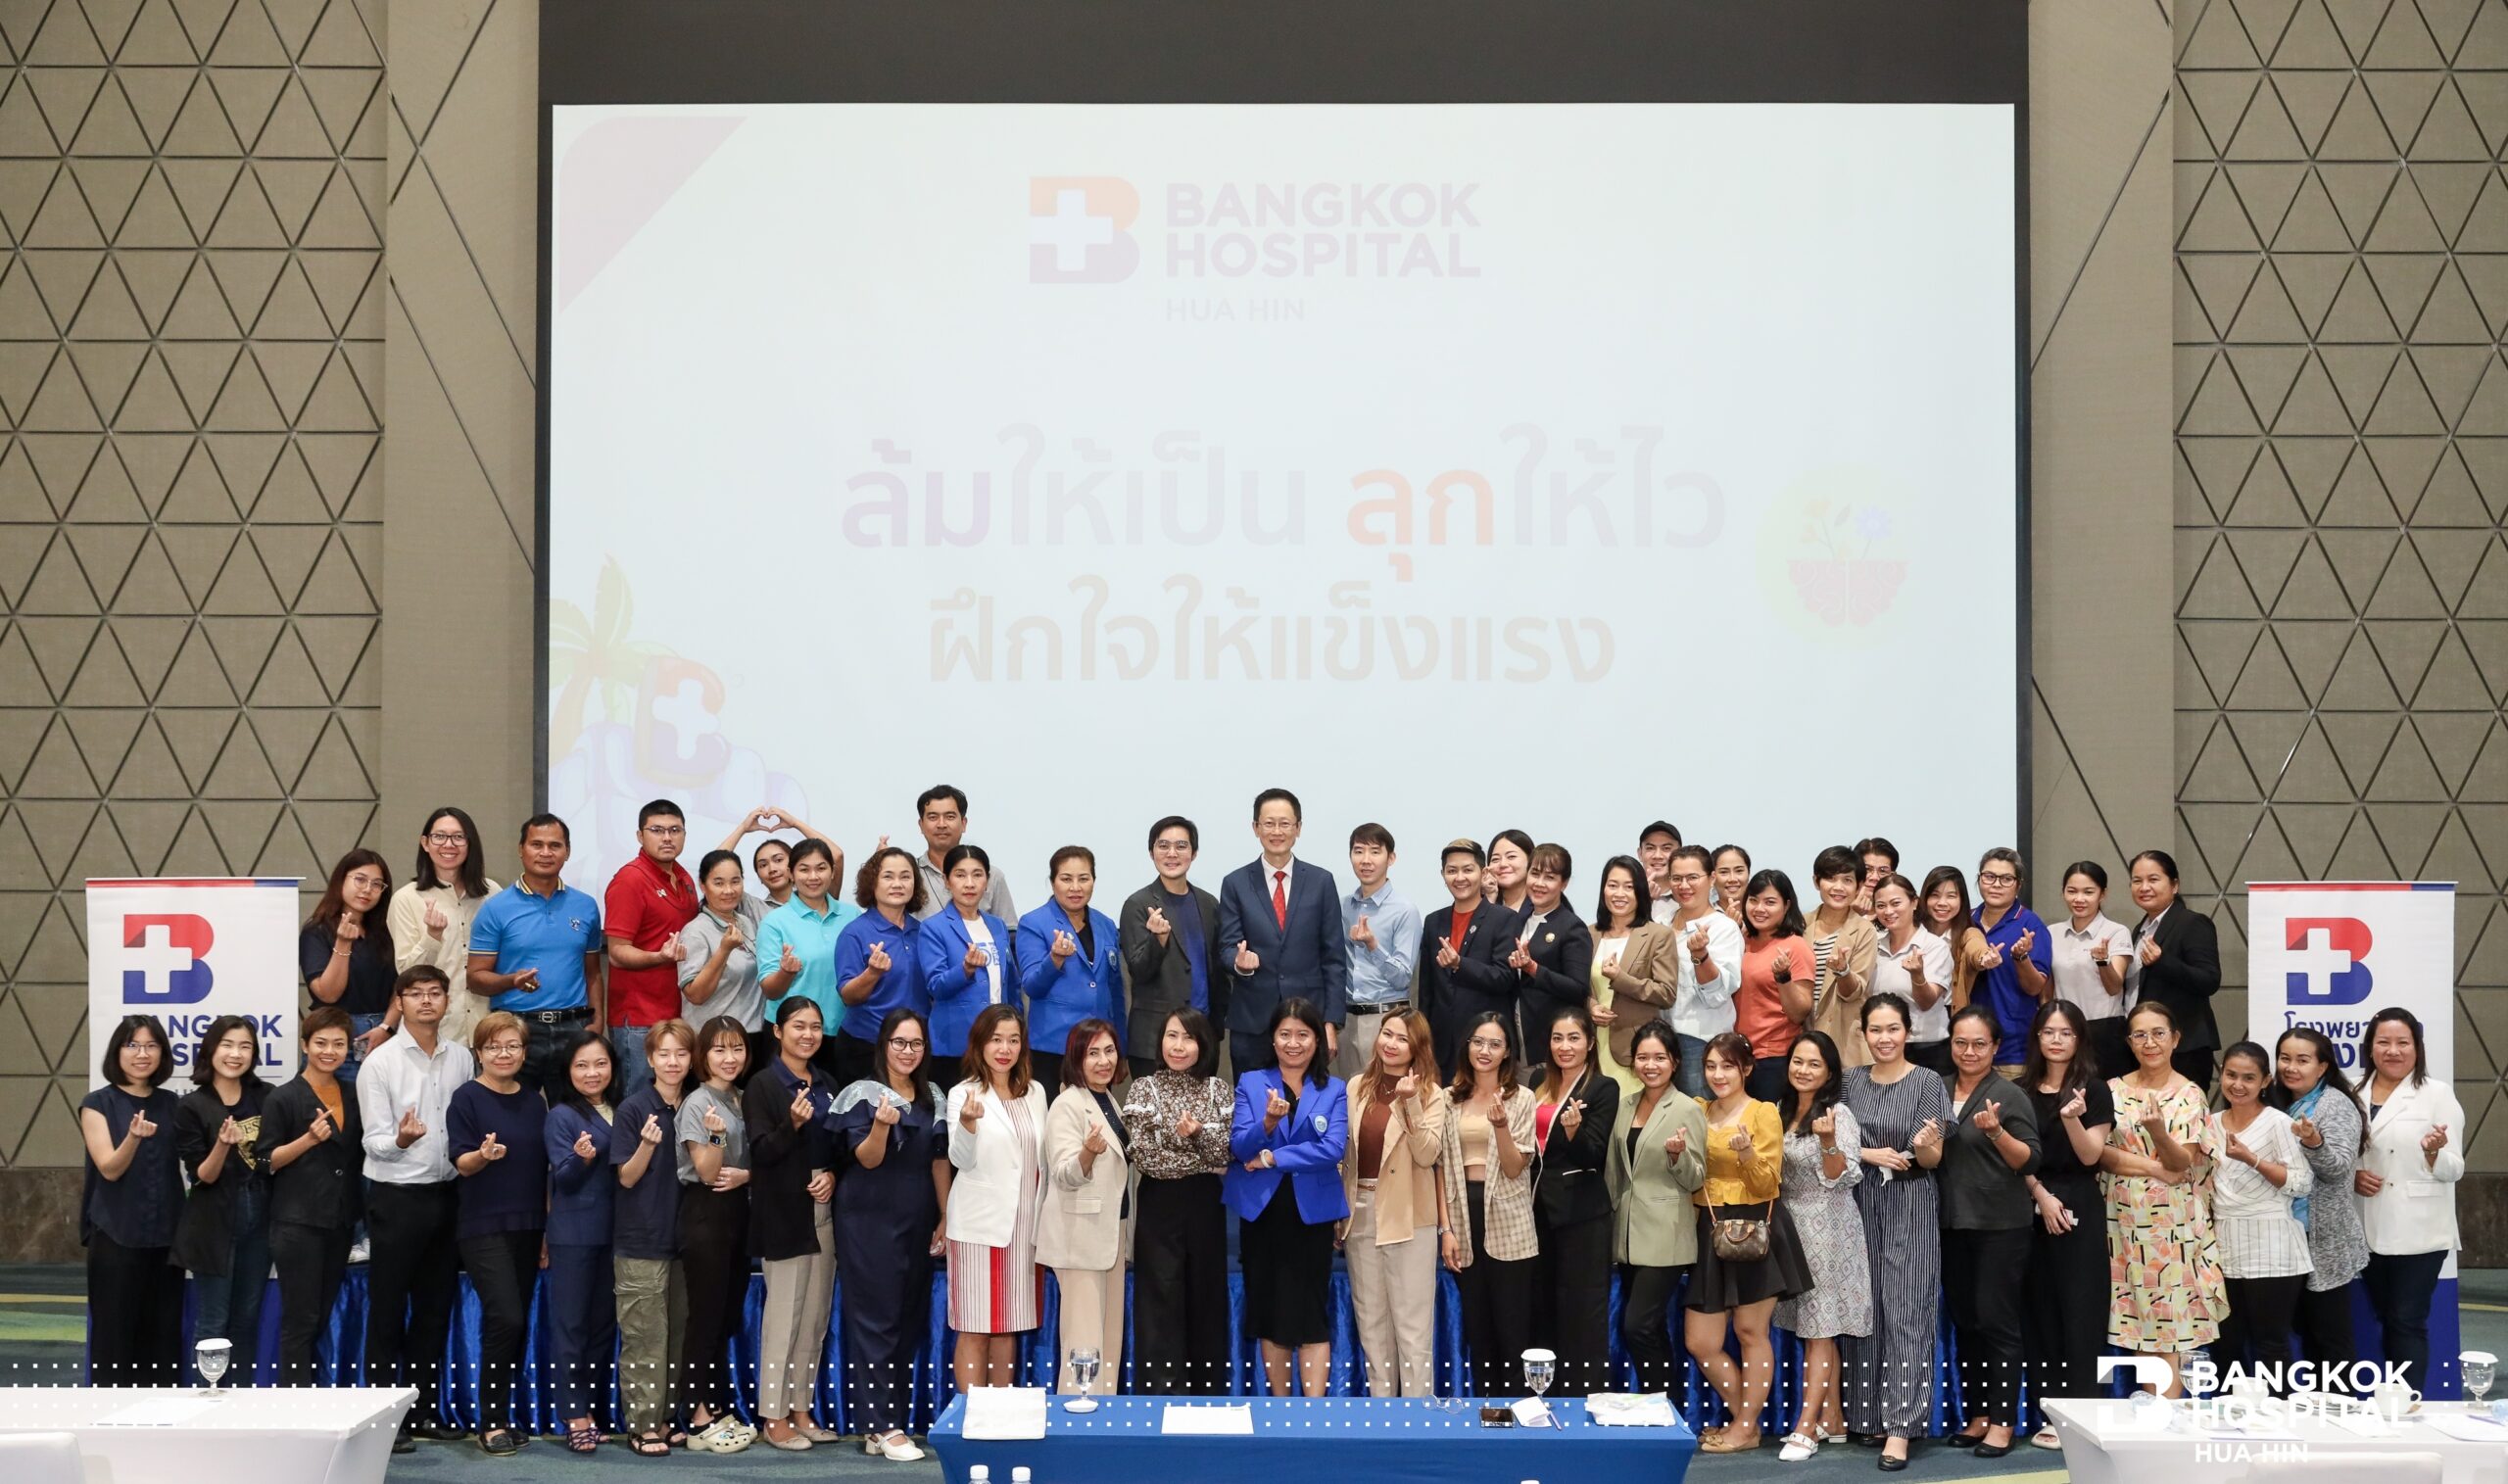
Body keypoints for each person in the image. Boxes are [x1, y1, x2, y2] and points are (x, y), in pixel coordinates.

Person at [358, 966, 473, 1450]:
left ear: (447, 1000)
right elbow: (373, 1140)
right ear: (399, 1002)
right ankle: (386, 1421)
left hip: (447, 1196)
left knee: (433, 1310)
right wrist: (402, 1140)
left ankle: (423, 1413)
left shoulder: (462, 1058)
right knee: (388, 1311)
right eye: (415, 993)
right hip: (396, 1197)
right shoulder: (379, 1063)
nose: (426, 1001)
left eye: (435, 993)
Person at [835, 1008, 951, 1462]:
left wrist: (945, 1216)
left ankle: (884, 1423)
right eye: (900, 1042)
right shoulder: (861, 1093)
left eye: (916, 1043)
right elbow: (866, 1159)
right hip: (868, 1221)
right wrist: (881, 1126)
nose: (908, 1051)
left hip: (916, 1218)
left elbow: (939, 1160)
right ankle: (882, 1425)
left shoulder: (932, 1095)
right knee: (876, 1321)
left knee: (906, 1320)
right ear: (884, 1045)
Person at [1684, 1031, 1809, 1456]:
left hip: (1754, 1226)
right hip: (1708, 1226)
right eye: (1711, 1066)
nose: (1718, 1075)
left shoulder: (1762, 1113)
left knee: (1750, 1331)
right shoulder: (1697, 1109)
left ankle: (1743, 1428)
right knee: (1700, 1341)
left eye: (1728, 1066)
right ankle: (1746, 1423)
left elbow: (1768, 1184)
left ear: (1747, 1069)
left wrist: (1746, 1155)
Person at [1840, 992, 1950, 1470]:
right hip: (1858, 1201)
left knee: (1908, 1309)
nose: (1884, 1038)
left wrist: (1923, 1145)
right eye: (1875, 1030)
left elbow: (1934, 1157)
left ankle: (1901, 1426)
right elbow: (1833, 1141)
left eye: (1893, 1029)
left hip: (1911, 1199)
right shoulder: (1849, 1082)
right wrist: (1867, 1153)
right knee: (1865, 1310)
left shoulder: (1927, 1081)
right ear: (1863, 1033)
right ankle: (1868, 1415)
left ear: (1908, 1031)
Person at [1226, 997, 1350, 1397]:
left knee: (1311, 1314)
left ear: (1317, 1040)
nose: (1293, 1043)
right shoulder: (1251, 1082)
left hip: (1312, 1215)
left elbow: (1332, 1149)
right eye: (1285, 1034)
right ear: (1272, 1039)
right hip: (1263, 1214)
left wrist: (1272, 1157)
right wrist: (1266, 1123)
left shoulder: (1334, 1089)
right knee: (1271, 1314)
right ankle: (1281, 1409)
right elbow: (1239, 1147)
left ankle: (1313, 1412)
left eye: (1302, 1035)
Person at [2100, 1000, 2225, 1398]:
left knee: (2169, 1326)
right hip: (2122, 1223)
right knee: (2139, 1320)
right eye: (2140, 1035)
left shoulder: (2189, 1094)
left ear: (2175, 1039)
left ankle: (2165, 1417)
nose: (2149, 1043)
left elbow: (2181, 1162)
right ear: (2129, 1042)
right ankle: (2152, 1414)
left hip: (2172, 1228)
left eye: (2158, 1034)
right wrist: (2153, 1167)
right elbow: (2100, 1154)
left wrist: (2157, 1132)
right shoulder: (2112, 1090)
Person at [1937, 1005, 2041, 1459]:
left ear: (1996, 1047)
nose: (1969, 1051)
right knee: (1967, 1323)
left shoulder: (2009, 1095)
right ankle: (1978, 1416)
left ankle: (2003, 1421)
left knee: (1997, 1323)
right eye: (1961, 1042)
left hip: (2001, 1226)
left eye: (1979, 1043)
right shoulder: (1936, 1088)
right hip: (1950, 1224)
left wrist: (1997, 1133)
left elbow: (2030, 1159)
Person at [446, 1011, 549, 1456]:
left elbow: (543, 1171)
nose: (503, 1054)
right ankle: (489, 1421)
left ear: (524, 1052)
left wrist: (545, 1230)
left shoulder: (535, 1101)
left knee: (517, 1320)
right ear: (479, 1053)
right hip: (482, 1225)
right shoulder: (466, 1098)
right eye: (493, 1046)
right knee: (505, 1316)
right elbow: (461, 1163)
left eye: (512, 1046)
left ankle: (502, 1415)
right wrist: (482, 1156)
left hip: (529, 1224)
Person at [1121, 1008, 1236, 1395]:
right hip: (1159, 1203)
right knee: (1160, 1298)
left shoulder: (1218, 1089)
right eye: (1172, 1035)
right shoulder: (1144, 1088)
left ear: (1204, 1044)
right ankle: (1161, 1396)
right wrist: (1198, 1148)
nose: (1179, 1046)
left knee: (1206, 1297)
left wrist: (1195, 1138)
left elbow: (1226, 1154)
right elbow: (1146, 1158)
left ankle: (1208, 1396)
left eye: (1188, 1037)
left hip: (1206, 1205)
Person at [2017, 999, 2115, 1449]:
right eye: (2048, 1032)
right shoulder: (2019, 1090)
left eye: (2066, 1033)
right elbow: (2014, 1158)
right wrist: (2039, 1194)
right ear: (2037, 1037)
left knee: (2082, 1312)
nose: (2056, 1041)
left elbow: (2091, 1155)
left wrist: (2072, 1119)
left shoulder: (2094, 1089)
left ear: (2079, 1039)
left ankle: (2083, 1415)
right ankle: (2052, 1413)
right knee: (2040, 1314)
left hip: (2080, 1202)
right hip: (2030, 1203)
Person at [744, 997, 839, 1451]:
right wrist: (792, 1124)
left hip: (823, 1213)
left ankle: (801, 1409)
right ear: (778, 1031)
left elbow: (837, 1146)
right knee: (784, 1320)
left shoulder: (827, 1083)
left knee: (814, 1320)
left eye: (816, 1026)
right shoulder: (763, 1084)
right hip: (783, 1214)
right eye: (799, 1026)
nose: (808, 1034)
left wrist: (833, 1175)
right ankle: (774, 1415)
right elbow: (761, 1152)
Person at [1771, 1031, 1871, 1461]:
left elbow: (1840, 1176)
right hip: (1790, 1228)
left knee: (1820, 1327)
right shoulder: (1780, 1109)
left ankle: (1806, 1428)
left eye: (1814, 1064)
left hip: (1828, 1227)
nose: (1803, 1070)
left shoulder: (1839, 1113)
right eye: (1798, 1061)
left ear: (1830, 1072)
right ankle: (1834, 1419)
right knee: (1814, 1326)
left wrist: (1828, 1141)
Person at [2355, 1006, 2464, 1396]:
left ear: (2417, 1048)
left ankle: (2408, 1401)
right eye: (2383, 1042)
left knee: (2406, 1319)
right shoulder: (2352, 1092)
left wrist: (2433, 1152)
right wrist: (2353, 1176)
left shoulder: (2437, 1094)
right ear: (2370, 1048)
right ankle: (2393, 1396)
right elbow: (2341, 1155)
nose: (2393, 1051)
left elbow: (2455, 1168)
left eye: (2403, 1042)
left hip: (2420, 1231)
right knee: (2387, 1316)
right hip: (2368, 1226)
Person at [1339, 1008, 1447, 1396]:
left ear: (1417, 1047)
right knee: (1372, 1328)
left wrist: (1410, 1102)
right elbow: (1346, 1157)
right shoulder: (1356, 1086)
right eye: (1387, 1034)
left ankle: (1417, 1418)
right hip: (1360, 1212)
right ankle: (1383, 1414)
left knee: (1413, 1331)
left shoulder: (1432, 1094)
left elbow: (1428, 1154)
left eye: (1402, 1038)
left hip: (1409, 1217)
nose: (1391, 1044)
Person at [945, 1004, 1050, 1392]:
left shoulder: (1035, 1092)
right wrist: (967, 1124)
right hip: (979, 1228)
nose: (1005, 1049)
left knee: (1008, 1326)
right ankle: (971, 1414)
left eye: (1013, 1040)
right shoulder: (963, 1093)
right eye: (996, 1040)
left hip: (1024, 1231)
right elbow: (960, 1159)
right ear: (980, 1044)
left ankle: (1001, 1413)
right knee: (975, 1327)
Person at [466, 814, 607, 1097]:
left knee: (574, 1117)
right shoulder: (496, 908)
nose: (546, 853)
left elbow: (592, 972)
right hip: (515, 1032)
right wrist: (511, 981)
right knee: (511, 1115)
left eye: (555, 845)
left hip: (574, 1029)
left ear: (567, 851)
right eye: (537, 844)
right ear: (521, 849)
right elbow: (475, 978)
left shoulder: (586, 906)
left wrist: (598, 1021)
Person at [1605, 1022, 1708, 1400]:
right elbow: (1614, 1171)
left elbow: (1696, 1178)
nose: (1651, 1065)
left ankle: (1662, 1404)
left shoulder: (1687, 1108)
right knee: (1649, 1328)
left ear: (1675, 1062)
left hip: (1666, 1236)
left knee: (1638, 1326)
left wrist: (1677, 1157)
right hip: (1627, 1235)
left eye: (1659, 1058)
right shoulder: (1625, 1105)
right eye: (1643, 1057)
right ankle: (1665, 1406)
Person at [79, 1015, 183, 1386]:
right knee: (115, 1338)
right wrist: (133, 1138)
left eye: (151, 1046)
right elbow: (109, 1168)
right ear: (117, 1052)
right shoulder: (97, 1104)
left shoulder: (172, 1103)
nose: (142, 1054)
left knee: (163, 1339)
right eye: (133, 1045)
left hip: (166, 1239)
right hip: (116, 1236)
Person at [1439, 1011, 1538, 1397]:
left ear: (1507, 1051)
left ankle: (1518, 1410)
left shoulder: (1522, 1098)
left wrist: (1500, 1127)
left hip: (1509, 1219)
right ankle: (1488, 1412)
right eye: (1478, 1042)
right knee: (1478, 1330)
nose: (1485, 1050)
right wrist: (1446, 1229)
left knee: (1513, 1330)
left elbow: (1515, 1168)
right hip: (1463, 1214)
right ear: (1467, 1046)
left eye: (1495, 1044)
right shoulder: (1448, 1098)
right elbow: (1441, 1170)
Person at [263, 1007, 361, 1387]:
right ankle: (295, 1401)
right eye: (321, 1043)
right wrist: (307, 1140)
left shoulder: (352, 1093)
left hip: (340, 1221)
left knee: (319, 1316)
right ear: (305, 1046)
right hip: (297, 1223)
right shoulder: (283, 1098)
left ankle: (307, 1395)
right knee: (300, 1320)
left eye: (338, 1044)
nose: (329, 1051)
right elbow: (267, 1161)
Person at [1218, 790, 1349, 1072]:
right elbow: (1227, 946)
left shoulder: (1321, 882)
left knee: (1308, 1097)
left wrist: (1330, 1023)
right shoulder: (1235, 883)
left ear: (1298, 828)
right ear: (1256, 828)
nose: (1276, 831)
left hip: (1307, 1023)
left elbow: (1334, 959)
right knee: (1253, 1097)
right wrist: (1239, 963)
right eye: (1269, 823)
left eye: (1285, 824)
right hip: (1252, 1023)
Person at [172, 1015, 271, 1386]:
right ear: (211, 1050)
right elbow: (202, 1176)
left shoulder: (267, 1097)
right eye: (227, 1045)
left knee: (246, 1320)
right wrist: (222, 1145)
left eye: (245, 1046)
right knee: (214, 1321)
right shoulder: (192, 1106)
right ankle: (207, 1399)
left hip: (261, 1216)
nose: (236, 1054)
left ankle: (239, 1402)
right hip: (213, 1222)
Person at [2268, 1026, 2368, 1386]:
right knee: (2302, 1333)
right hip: (2281, 1239)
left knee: (2331, 1339)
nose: (2291, 1067)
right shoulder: (2272, 1100)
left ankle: (2339, 1410)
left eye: (2302, 1060)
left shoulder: (2335, 1105)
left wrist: (2314, 1141)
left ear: (2323, 1066)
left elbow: (2338, 1169)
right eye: (2285, 1058)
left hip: (2324, 1241)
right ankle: (2311, 1409)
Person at [2212, 1039, 2313, 1395]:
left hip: (2273, 1247)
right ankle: (2228, 1414)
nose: (2238, 1085)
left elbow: (2301, 1182)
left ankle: (2278, 1416)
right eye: (2231, 1075)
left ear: (2266, 1081)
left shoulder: (2278, 1123)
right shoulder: (2209, 1123)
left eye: (2249, 1078)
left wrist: (2252, 1159)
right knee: (2225, 1344)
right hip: (2223, 1246)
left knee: (2270, 1344)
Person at [613, 1020, 693, 1458]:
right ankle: (641, 1424)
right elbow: (626, 1178)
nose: (673, 1062)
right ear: (649, 1059)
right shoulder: (633, 1109)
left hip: (686, 1241)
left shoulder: (698, 1103)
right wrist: (645, 1145)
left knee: (677, 1336)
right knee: (645, 1337)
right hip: (641, 1241)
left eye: (681, 1053)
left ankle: (664, 1417)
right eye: (664, 1054)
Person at [1528, 1004, 1617, 1397]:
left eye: (1574, 1038)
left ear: (1590, 1043)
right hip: (1537, 1212)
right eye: (1557, 1038)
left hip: (1583, 1215)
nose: (1565, 1046)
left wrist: (1574, 1132)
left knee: (1583, 1314)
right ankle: (1545, 1396)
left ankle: (1584, 1398)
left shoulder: (1602, 1088)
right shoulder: (1538, 1081)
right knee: (1543, 1308)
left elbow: (1594, 1155)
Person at [1041, 1019, 1133, 1399]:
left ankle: (1103, 1416)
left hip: (1110, 1234)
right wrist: (1087, 1154)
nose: (1103, 1061)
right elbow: (1064, 1174)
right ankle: (1077, 1416)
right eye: (1093, 1053)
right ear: (1076, 1058)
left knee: (1108, 1340)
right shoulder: (1067, 1104)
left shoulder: (1108, 1099)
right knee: (1084, 1342)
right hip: (1079, 1238)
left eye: (1109, 1051)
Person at [677, 1017, 754, 1454]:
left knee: (725, 1318)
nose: (730, 1058)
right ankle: (697, 1417)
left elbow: (752, 1164)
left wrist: (749, 1176)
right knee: (705, 1318)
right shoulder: (698, 1101)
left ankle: (719, 1407)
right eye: (720, 1049)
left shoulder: (742, 1097)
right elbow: (707, 1173)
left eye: (737, 1048)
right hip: (705, 1212)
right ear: (703, 1055)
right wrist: (717, 1136)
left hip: (738, 1214)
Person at [544, 1030, 620, 1453]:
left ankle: (592, 1410)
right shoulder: (561, 1115)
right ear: (568, 1070)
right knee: (571, 1327)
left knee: (602, 1327)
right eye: (582, 1065)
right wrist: (581, 1159)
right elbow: (565, 1180)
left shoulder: (622, 1108)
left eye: (600, 1063)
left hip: (616, 1233)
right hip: (574, 1235)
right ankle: (574, 1414)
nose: (593, 1073)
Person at [605, 798, 701, 1096]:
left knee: (672, 1104)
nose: (667, 837)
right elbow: (617, 952)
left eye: (675, 830)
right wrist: (659, 956)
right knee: (640, 1106)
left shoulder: (683, 877)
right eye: (657, 830)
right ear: (640, 835)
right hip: (639, 1019)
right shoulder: (630, 880)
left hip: (677, 1014)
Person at [1118, 817, 1228, 1078]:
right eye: (1163, 846)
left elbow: (1216, 969)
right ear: (1151, 852)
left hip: (1202, 1038)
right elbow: (1139, 971)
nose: (1172, 853)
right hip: (1154, 1041)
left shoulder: (1209, 903)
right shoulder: (1137, 904)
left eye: (1181, 846)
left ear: (1194, 853)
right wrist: (1157, 940)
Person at [1016, 846, 1124, 1099]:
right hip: (1054, 1049)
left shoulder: (1106, 924)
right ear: (1052, 882)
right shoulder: (1033, 923)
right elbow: (1032, 986)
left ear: (1093, 881)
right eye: (1066, 879)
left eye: (1083, 879)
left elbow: (1115, 992)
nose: (1075, 887)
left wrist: (1121, 1050)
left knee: (1097, 1120)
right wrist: (1054, 959)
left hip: (1099, 1051)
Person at [389, 806, 498, 1051]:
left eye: (458, 837)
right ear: (425, 843)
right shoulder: (406, 898)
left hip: (488, 1030)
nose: (449, 844)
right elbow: (407, 974)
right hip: (437, 1032)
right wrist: (432, 937)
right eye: (439, 836)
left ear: (470, 843)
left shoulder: (492, 894)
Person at [1418, 838, 1524, 1073]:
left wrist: (1459, 964)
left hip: (1487, 1044)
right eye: (1451, 871)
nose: (1460, 878)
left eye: (1467, 870)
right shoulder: (1434, 921)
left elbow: (1505, 978)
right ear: (1443, 874)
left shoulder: (1503, 918)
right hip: (1442, 1047)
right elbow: (1426, 990)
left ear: (1483, 872)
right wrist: (1423, 1041)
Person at [831, 845, 930, 1085]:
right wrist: (872, 973)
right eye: (888, 876)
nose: (897, 884)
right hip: (866, 1046)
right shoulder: (855, 933)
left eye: (905, 877)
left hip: (914, 1048)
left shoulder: (924, 932)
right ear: (872, 883)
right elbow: (848, 996)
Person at [2127, 849, 2223, 1088]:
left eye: (2153, 879)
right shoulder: (2139, 930)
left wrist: (2162, 961)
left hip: (2184, 1047)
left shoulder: (2192, 922)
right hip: (2147, 1046)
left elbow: (2209, 980)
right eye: (2137, 881)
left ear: (2174, 885)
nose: (2144, 887)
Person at [1335, 822, 1423, 1080]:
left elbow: (1403, 978)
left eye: (1375, 851)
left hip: (1386, 1020)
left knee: (1386, 1096)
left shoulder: (1404, 910)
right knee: (1350, 1096)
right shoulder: (1342, 907)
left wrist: (1373, 945)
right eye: (1358, 851)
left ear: (1391, 858)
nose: (1366, 860)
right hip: (1346, 1021)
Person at [756, 837, 860, 1055]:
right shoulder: (775, 922)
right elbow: (770, 990)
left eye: (821, 868)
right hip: (792, 1034)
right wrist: (785, 972)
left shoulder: (852, 916)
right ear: (791, 874)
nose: (813, 877)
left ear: (832, 872)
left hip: (842, 1030)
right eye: (804, 869)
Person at [302, 847, 397, 1080]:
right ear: (341, 880)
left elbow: (402, 986)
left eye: (377, 884)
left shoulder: (386, 931)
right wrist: (343, 943)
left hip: (383, 1035)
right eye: (360, 880)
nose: (367, 889)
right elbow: (328, 993)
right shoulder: (317, 931)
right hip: (335, 1038)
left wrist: (386, 1027)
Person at [1587, 855, 1679, 1096]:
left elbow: (1666, 993)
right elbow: (1578, 986)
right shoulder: (1589, 933)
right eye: (1613, 885)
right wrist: (1590, 1005)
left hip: (1634, 1050)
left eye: (1628, 887)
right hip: (1591, 1048)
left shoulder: (1658, 935)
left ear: (1640, 891)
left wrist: (1621, 978)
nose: (1620, 893)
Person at [923, 842, 1020, 1066]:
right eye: (960, 875)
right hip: (956, 1043)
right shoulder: (933, 927)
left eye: (977, 875)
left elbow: (1012, 984)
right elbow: (935, 987)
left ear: (987, 881)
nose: (969, 883)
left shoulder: (998, 925)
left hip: (1000, 1045)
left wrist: (1017, 1027)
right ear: (947, 881)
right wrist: (965, 970)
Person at [1660, 845, 1742, 1097]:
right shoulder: (1661, 924)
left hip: (1700, 1043)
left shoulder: (1723, 928)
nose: (1684, 885)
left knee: (1698, 1115)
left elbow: (1717, 995)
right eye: (1677, 878)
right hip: (1661, 1040)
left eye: (1692, 877)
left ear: (1712, 878)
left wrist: (1700, 956)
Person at [1509, 843, 1594, 1082]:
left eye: (1550, 877)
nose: (1539, 883)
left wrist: (1534, 969)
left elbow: (1578, 989)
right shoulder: (1518, 920)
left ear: (1563, 884)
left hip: (1546, 1044)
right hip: (1513, 1042)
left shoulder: (1572, 927)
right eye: (1535, 874)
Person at [679, 848, 769, 1075]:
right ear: (703, 886)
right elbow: (695, 994)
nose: (729, 890)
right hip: (714, 1043)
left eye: (735, 881)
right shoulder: (695, 931)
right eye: (718, 883)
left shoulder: (746, 922)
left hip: (751, 1037)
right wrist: (724, 950)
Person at [1970, 849, 2051, 1076]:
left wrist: (2021, 957)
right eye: (1989, 877)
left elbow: (2035, 987)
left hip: (2013, 1050)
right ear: (1979, 879)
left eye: (2006, 879)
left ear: (2018, 885)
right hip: (1969, 1047)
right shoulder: (1966, 920)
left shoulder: (2031, 925)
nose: (1996, 885)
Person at [1734, 869, 1813, 1102]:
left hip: (1773, 1058)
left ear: (1786, 906)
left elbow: (1799, 1013)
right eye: (1753, 900)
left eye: (1770, 902)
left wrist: (1783, 977)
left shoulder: (1795, 946)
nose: (1759, 908)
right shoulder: (1741, 940)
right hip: (1738, 1055)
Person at [2051, 861, 2133, 1078]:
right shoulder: (2051, 933)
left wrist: (2102, 961)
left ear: (2102, 894)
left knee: (2103, 1093)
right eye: (2072, 891)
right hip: (2063, 1029)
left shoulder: (2116, 932)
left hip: (2104, 1030)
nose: (2079, 899)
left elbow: (2114, 987)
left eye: (2088, 892)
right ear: (2063, 893)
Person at [1869, 873, 1953, 1079]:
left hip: (1926, 1049)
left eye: (1895, 903)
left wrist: (1917, 975)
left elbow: (1926, 1002)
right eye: (1881, 906)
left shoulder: (1934, 946)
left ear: (1914, 902)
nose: (1888, 911)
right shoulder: (1873, 945)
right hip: (1883, 1048)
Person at [1802, 846, 1879, 1067]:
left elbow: (1855, 992)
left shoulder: (1864, 930)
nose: (1838, 887)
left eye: (1847, 880)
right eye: (1830, 878)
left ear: (1859, 886)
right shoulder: (1800, 924)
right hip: (1803, 1035)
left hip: (1842, 1038)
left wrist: (1843, 972)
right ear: (1816, 881)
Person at [1917, 866, 1993, 1076]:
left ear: (1962, 901)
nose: (1942, 903)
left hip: (1948, 1021)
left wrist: (1984, 957)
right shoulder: (1913, 933)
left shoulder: (1967, 933)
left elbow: (1976, 948)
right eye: (1935, 895)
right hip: (1911, 1020)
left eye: (1951, 896)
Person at [911, 784, 1016, 921]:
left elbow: (1009, 929)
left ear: (963, 823)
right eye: (933, 817)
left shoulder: (992, 876)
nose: (941, 824)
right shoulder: (909, 874)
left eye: (950, 817)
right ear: (921, 825)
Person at [1486, 829, 1535, 915]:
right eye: (1495, 859)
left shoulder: (1544, 905)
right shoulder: (1478, 904)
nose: (1503, 864)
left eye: (1511, 857)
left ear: (1531, 860)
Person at [1637, 820, 1683, 911]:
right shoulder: (1626, 894)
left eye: (1666, 848)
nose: (1657, 856)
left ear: (1680, 853)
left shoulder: (1689, 895)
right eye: (1650, 848)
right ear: (1640, 854)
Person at [1855, 838, 1900, 916]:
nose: (1874, 878)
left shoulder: (1897, 915)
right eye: (1867, 869)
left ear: (1892, 876)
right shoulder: (1835, 906)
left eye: (1882, 871)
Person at [1711, 843, 1752, 925]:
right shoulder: (1704, 917)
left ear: (1748, 873)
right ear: (1712, 878)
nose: (1732, 879)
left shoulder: (1760, 914)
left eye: (1739, 871)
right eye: (1724, 872)